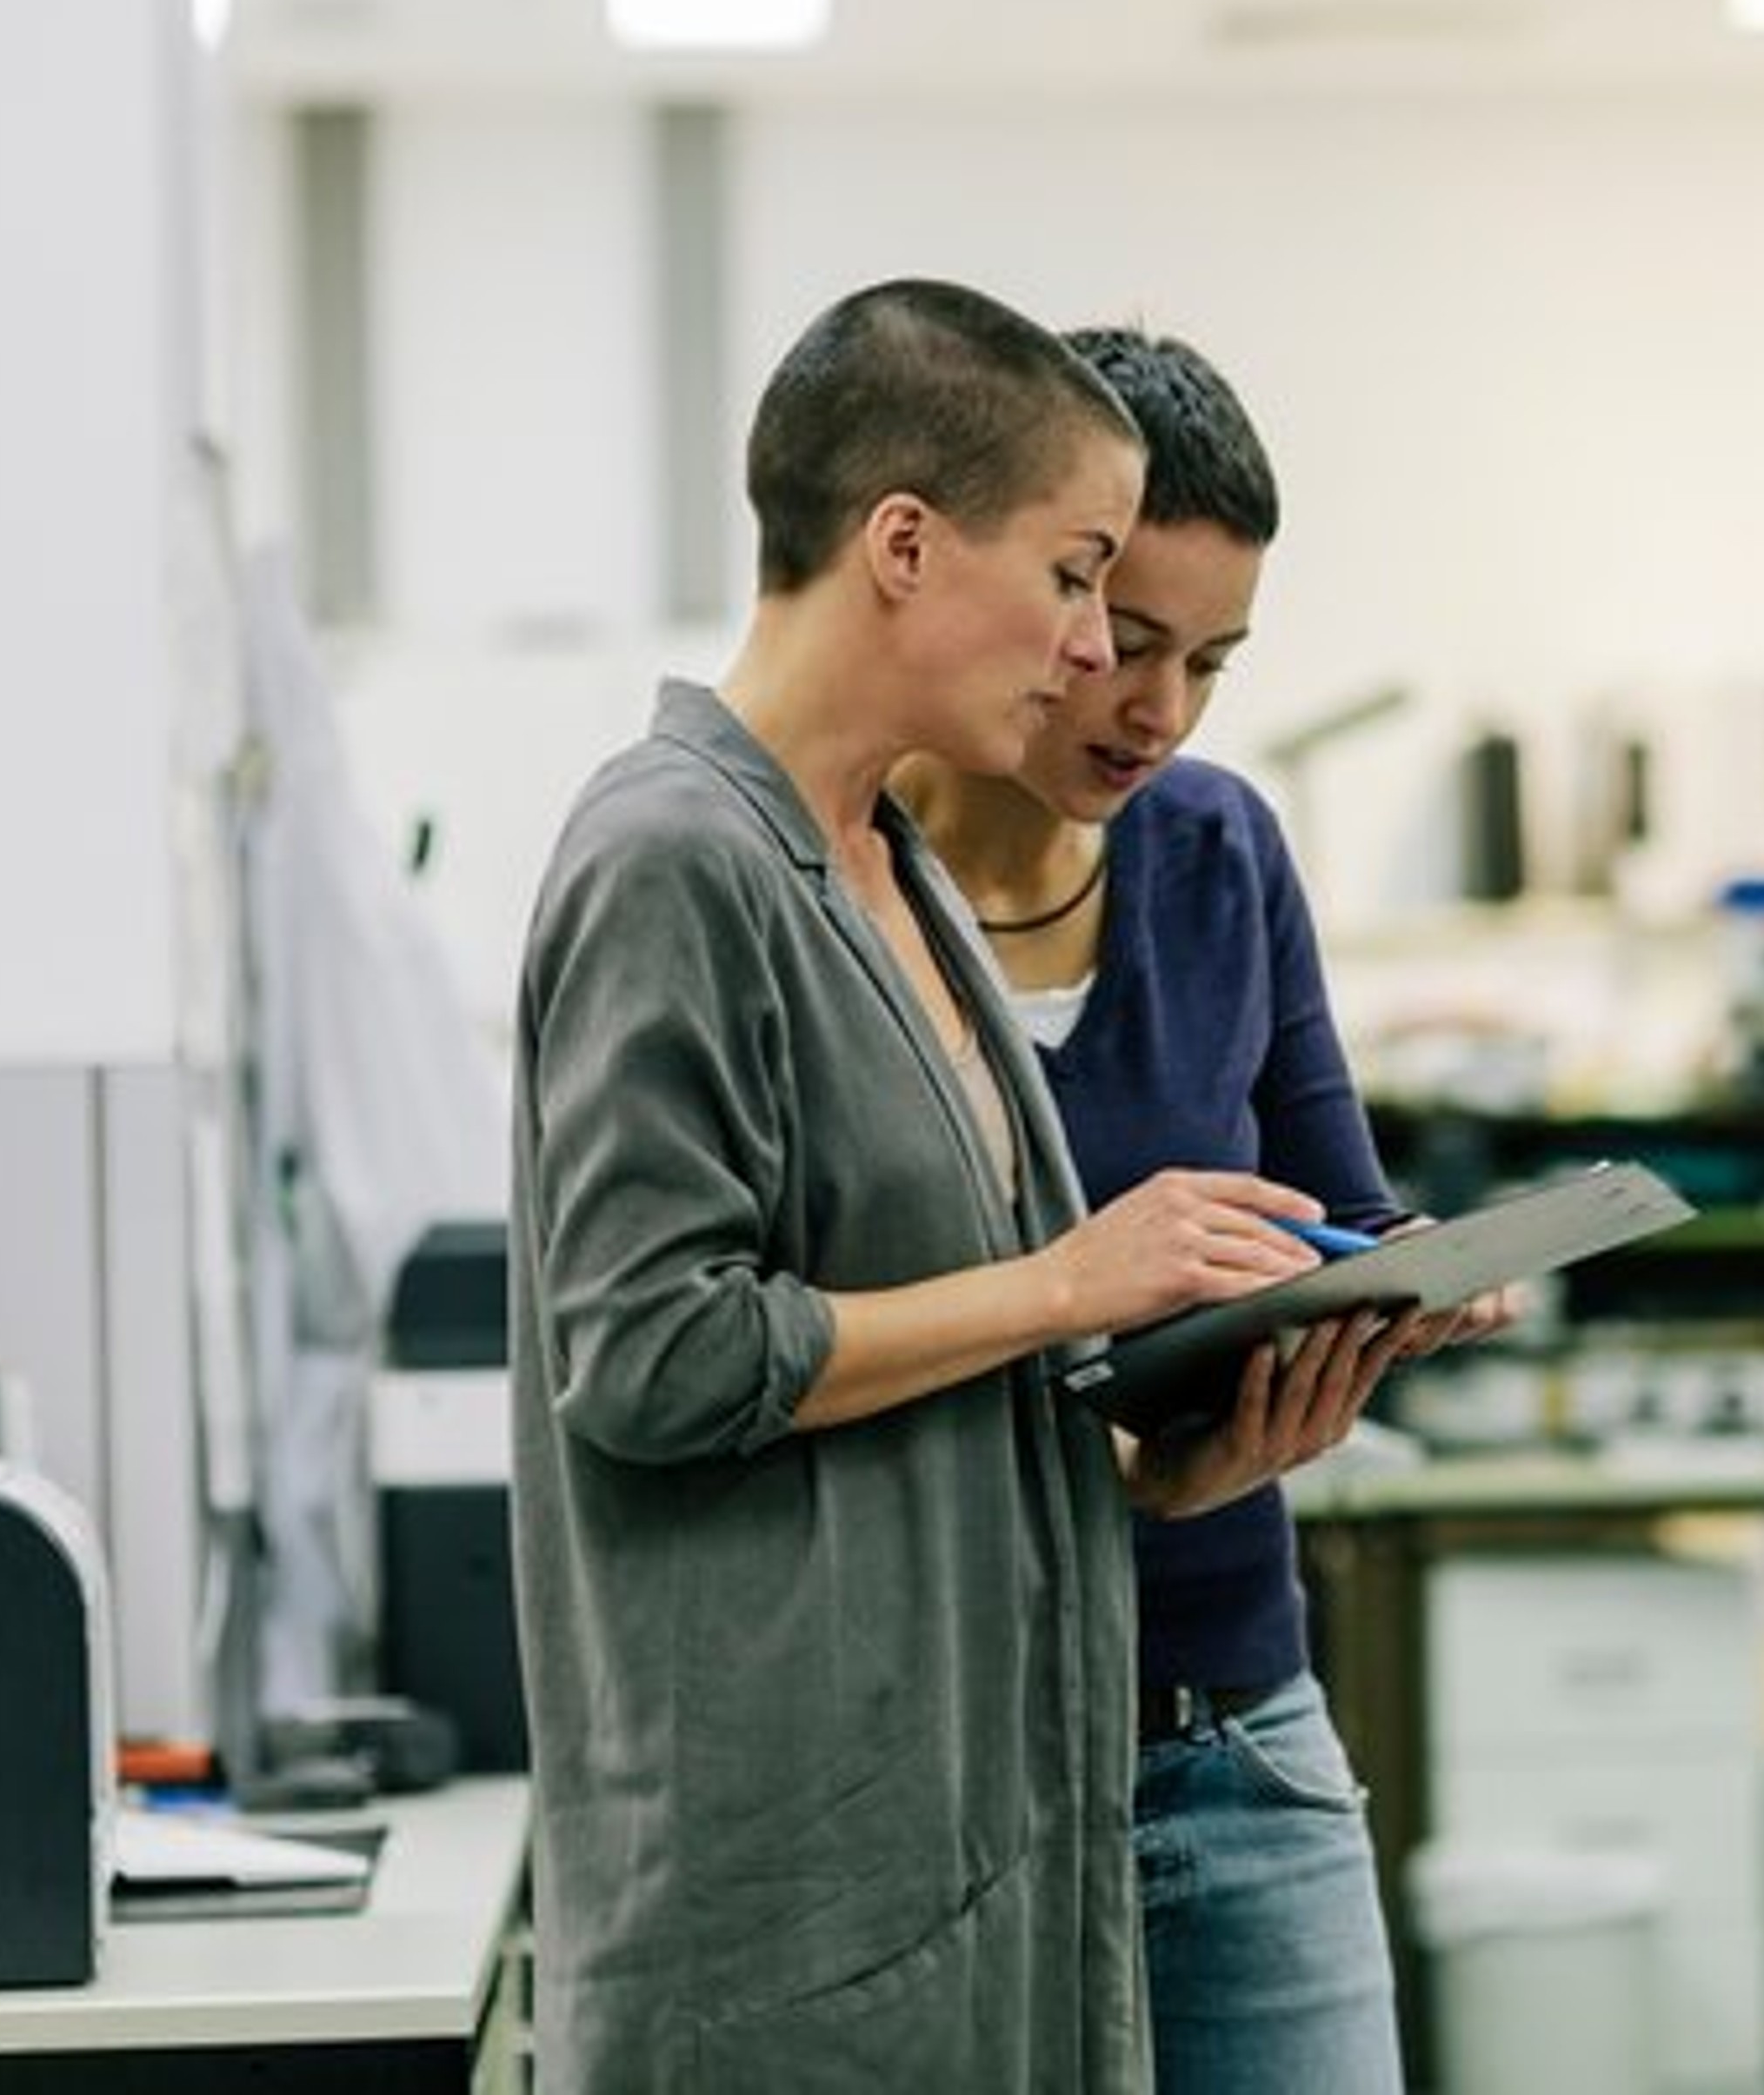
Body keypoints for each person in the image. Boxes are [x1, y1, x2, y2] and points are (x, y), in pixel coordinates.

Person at [509, 278, 1352, 2093]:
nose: (1088, 659)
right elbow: (652, 1355)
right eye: (1073, 583)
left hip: (993, 1823)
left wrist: (1155, 1464)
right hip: (799, 1875)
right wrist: (1075, 1281)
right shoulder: (672, 856)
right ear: (903, 545)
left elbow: (947, 1387)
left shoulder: (874, 867)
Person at [896, 323, 1505, 2092]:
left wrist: (1405, 1291)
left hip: (1234, 1734)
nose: (1156, 710)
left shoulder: (1219, 852)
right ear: (1043, 586)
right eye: (1127, 641)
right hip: (952, 1785)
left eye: (1213, 664)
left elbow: (1344, 1204)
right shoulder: (830, 888)